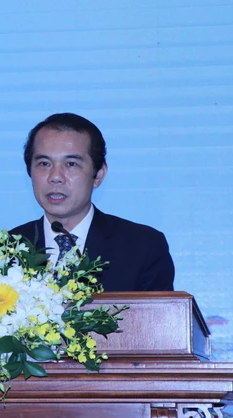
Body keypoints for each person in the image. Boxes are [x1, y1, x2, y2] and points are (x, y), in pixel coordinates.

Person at [11, 113, 175, 291]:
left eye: (71, 164)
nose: (55, 177)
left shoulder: (143, 248)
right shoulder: (3, 250)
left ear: (98, 175)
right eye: (44, 164)